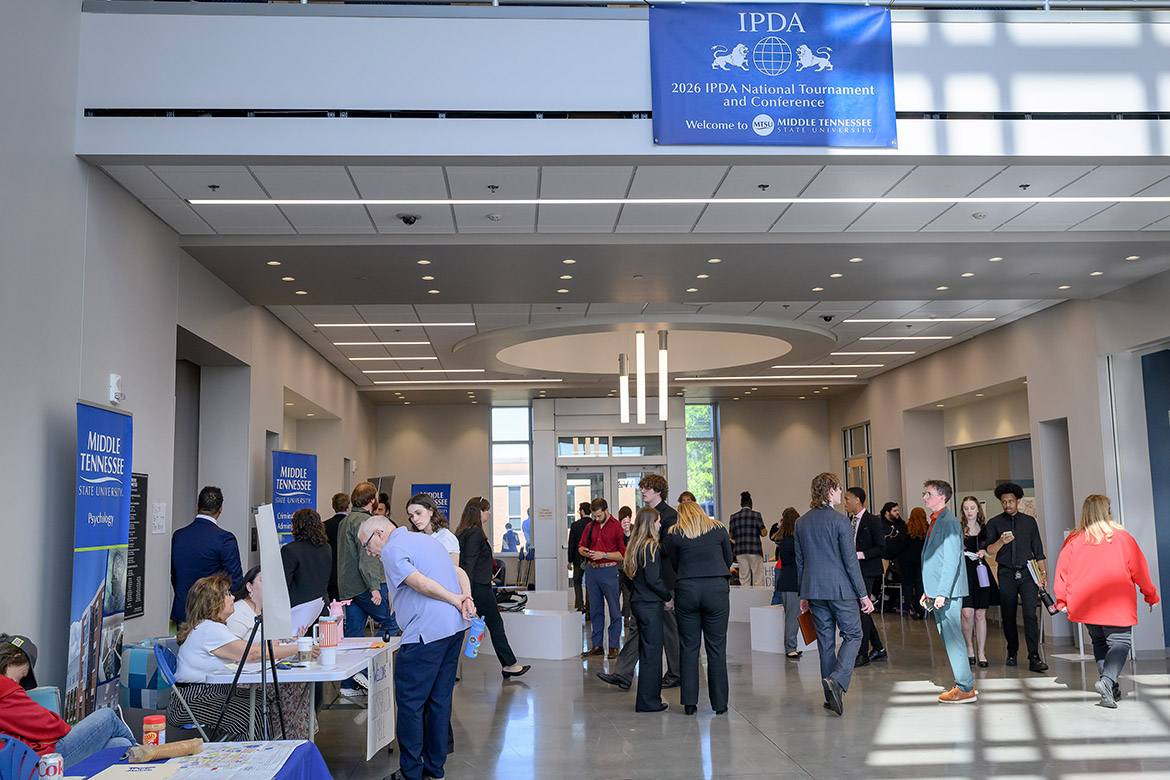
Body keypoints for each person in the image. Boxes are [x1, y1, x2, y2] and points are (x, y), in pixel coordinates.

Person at [358, 515, 474, 780]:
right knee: (439, 701)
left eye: (367, 545)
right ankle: (435, 769)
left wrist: (456, 599)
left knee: (410, 704)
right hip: (453, 630)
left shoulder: (391, 549)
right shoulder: (425, 540)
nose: (368, 552)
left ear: (379, 532)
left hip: (426, 633)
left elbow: (419, 583)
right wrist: (465, 598)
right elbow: (458, 571)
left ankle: (411, 772)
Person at [168, 575, 306, 740]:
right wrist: (298, 649)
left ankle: (258, 754)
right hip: (192, 700)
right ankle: (250, 759)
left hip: (204, 693)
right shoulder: (210, 630)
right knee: (251, 714)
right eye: (227, 594)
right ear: (213, 602)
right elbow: (251, 653)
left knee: (261, 701)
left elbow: (246, 652)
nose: (233, 597)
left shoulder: (211, 627)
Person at [1054, 494, 1159, 708]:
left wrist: (1061, 600)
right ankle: (1108, 681)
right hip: (1115, 602)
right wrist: (1150, 594)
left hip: (1085, 604)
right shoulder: (1121, 537)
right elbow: (1139, 569)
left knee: (1100, 642)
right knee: (1120, 642)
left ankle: (1111, 690)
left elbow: (1062, 572)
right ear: (1106, 511)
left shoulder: (1073, 539)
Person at [795, 472, 873, 716]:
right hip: (841, 590)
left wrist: (804, 594)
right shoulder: (840, 521)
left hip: (814, 590)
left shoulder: (801, 522)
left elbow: (800, 562)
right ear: (829, 491)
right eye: (839, 489)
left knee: (826, 643)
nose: (841, 494)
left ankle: (831, 698)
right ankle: (837, 680)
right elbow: (850, 562)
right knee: (854, 634)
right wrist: (864, 595)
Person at [0, 634, 136, 768]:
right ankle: (144, 754)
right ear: (14, 659)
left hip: (26, 758)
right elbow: (52, 726)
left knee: (119, 743)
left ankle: (137, 756)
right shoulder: (5, 688)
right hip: (41, 761)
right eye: (23, 674)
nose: (19, 682)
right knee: (108, 716)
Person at [224, 568, 314, 738]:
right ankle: (286, 737)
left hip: (263, 671)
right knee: (291, 687)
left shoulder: (266, 613)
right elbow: (235, 650)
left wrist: (289, 640)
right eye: (263, 581)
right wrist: (287, 647)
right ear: (249, 586)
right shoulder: (239, 612)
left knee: (300, 684)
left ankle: (293, 737)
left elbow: (270, 644)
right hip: (245, 678)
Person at [667, 501, 732, 715]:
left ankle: (689, 703)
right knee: (716, 648)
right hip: (716, 590)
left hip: (687, 589)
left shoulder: (675, 533)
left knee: (689, 647)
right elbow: (728, 559)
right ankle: (720, 704)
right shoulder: (719, 529)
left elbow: (674, 565)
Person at [455, 497, 530, 679]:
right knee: (495, 624)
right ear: (479, 511)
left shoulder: (463, 532)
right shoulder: (475, 534)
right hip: (478, 588)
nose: (489, 513)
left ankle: (449, 670)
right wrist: (468, 594)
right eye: (487, 510)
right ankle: (509, 665)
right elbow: (469, 564)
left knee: (458, 629)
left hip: (474, 587)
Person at [337, 481, 398, 697]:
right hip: (367, 585)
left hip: (348, 587)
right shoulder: (366, 522)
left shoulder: (346, 521)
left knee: (353, 636)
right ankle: (363, 669)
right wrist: (374, 588)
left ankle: (347, 685)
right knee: (392, 622)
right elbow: (368, 559)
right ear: (374, 500)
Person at [982, 482, 1048, 672]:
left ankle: (1034, 656)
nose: (1008, 505)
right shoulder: (994, 523)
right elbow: (989, 550)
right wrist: (1001, 541)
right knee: (1009, 614)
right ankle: (1012, 651)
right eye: (1004, 502)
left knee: (1030, 614)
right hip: (1006, 573)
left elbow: (1039, 551)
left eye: (1011, 501)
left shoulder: (1029, 522)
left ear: (1018, 501)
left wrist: (1043, 574)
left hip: (1028, 573)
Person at [921, 480, 977, 703]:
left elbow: (952, 560)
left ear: (942, 497)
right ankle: (965, 684)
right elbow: (936, 560)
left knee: (953, 638)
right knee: (950, 637)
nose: (925, 497)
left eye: (929, 494)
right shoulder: (937, 521)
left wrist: (942, 592)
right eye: (924, 493)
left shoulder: (949, 522)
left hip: (949, 592)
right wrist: (930, 591)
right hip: (941, 591)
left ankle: (965, 687)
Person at [170, 486, 243, 624]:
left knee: (181, 646)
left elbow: (174, 576)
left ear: (197, 506)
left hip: (181, 611)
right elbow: (236, 581)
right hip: (211, 613)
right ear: (220, 509)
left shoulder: (178, 536)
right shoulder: (225, 539)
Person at [623, 506, 672, 713]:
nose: (661, 524)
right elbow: (654, 579)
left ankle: (646, 699)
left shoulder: (634, 545)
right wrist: (667, 597)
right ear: (651, 523)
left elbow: (628, 577)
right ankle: (649, 701)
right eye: (658, 521)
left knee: (646, 652)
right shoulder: (651, 546)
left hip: (638, 602)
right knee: (652, 655)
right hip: (650, 604)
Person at [844, 487, 887, 666]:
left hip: (868, 571)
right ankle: (878, 648)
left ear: (857, 500)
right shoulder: (849, 521)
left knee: (862, 610)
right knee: (863, 610)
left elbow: (881, 548)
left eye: (847, 499)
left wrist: (860, 554)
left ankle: (863, 652)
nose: (844, 502)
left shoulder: (872, 521)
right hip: (854, 570)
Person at [579, 498, 625, 659]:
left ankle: (614, 646)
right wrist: (585, 551)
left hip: (609, 570)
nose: (596, 519)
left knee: (614, 609)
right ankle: (597, 645)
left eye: (599, 515)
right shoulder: (590, 526)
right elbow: (580, 546)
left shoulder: (617, 527)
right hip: (592, 571)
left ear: (606, 511)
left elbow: (622, 554)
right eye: (594, 516)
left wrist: (603, 555)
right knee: (595, 609)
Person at [958, 496, 997, 668]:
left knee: (980, 614)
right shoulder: (958, 527)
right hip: (964, 571)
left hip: (981, 570)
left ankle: (981, 652)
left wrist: (983, 552)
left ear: (977, 509)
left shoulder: (986, 529)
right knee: (967, 613)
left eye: (972, 508)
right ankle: (968, 647)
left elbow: (991, 551)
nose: (969, 511)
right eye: (966, 508)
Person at [281, 507, 332, 609]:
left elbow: (284, 583)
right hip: (321, 606)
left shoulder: (289, 550)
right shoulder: (326, 547)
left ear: (297, 526)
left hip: (299, 609)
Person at [769, 507, 803, 658]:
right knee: (793, 616)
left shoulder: (783, 540)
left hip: (786, 580)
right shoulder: (794, 541)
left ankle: (791, 646)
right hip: (793, 582)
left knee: (792, 615)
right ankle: (790, 648)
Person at [406, 493, 460, 567]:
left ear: (431, 511)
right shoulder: (417, 537)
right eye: (411, 516)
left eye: (418, 513)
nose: (415, 519)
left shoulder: (446, 537)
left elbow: (453, 572)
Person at [728, 491, 767, 586]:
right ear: (751, 504)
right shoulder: (756, 515)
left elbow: (731, 535)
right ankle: (758, 599)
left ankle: (746, 599)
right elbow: (763, 532)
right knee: (758, 576)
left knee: (744, 577)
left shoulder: (733, 517)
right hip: (754, 550)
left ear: (741, 504)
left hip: (740, 551)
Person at [879, 502, 907, 611]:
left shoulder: (901, 524)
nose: (897, 513)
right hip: (884, 557)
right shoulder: (880, 524)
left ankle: (890, 601)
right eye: (894, 511)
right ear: (887, 512)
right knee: (882, 579)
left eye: (897, 511)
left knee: (898, 578)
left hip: (898, 558)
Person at [902, 508, 928, 619]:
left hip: (907, 560)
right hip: (921, 561)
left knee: (907, 584)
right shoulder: (927, 529)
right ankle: (920, 607)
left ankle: (910, 605)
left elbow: (901, 544)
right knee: (919, 584)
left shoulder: (907, 528)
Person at [324, 492, 350, 604]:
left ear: (333, 506)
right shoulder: (351, 525)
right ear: (348, 506)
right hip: (348, 574)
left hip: (330, 574)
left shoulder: (324, 526)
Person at [567, 502, 591, 614]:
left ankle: (579, 605)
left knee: (577, 581)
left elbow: (572, 544)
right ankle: (589, 606)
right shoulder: (594, 524)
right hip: (592, 558)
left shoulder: (575, 525)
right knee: (590, 583)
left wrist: (569, 560)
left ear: (582, 511)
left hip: (577, 559)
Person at [618, 505, 634, 625]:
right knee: (627, 593)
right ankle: (626, 618)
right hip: (628, 565)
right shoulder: (635, 529)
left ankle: (617, 616)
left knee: (615, 593)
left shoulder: (616, 528)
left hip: (617, 565)